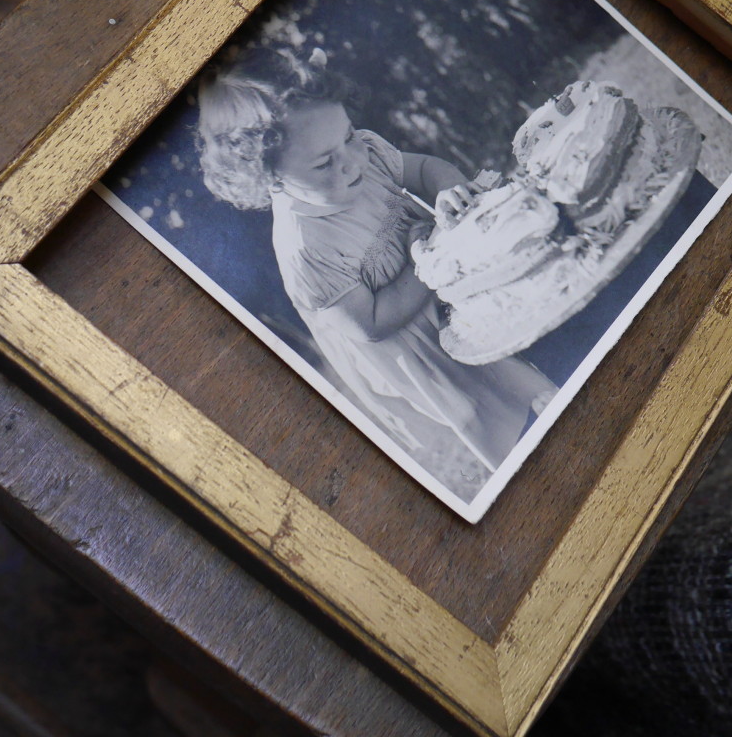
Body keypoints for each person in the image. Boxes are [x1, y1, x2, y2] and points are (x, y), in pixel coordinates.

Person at [196, 51, 556, 474]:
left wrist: (449, 195)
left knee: (530, 334)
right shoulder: (304, 249)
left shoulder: (361, 152)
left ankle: (560, 382)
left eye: (347, 136)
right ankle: (541, 464)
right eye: (324, 162)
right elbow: (369, 324)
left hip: (449, 281)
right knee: (499, 404)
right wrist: (427, 261)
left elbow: (425, 170)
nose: (350, 160)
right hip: (416, 339)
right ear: (271, 177)